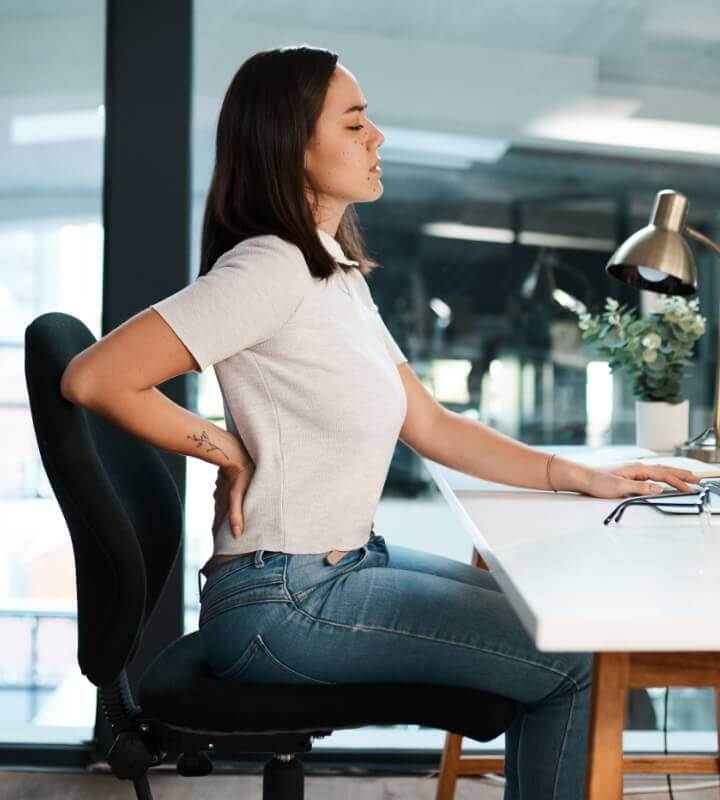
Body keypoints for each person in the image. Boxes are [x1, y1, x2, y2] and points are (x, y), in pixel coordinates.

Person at [60, 45, 702, 800]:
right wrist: (224, 450)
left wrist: (580, 476)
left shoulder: (331, 270)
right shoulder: (267, 269)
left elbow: (430, 423)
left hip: (338, 567)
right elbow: (93, 376)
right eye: (355, 122)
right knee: (577, 664)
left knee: (554, 614)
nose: (378, 138)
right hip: (286, 601)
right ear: (289, 145)